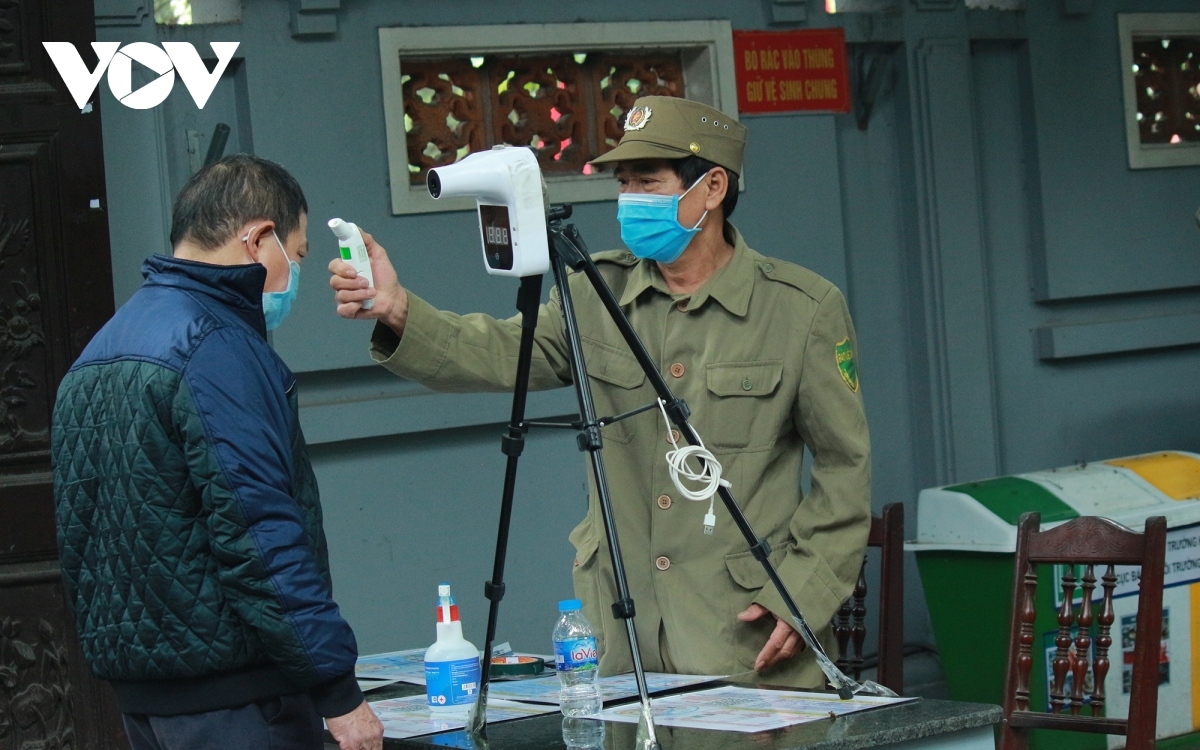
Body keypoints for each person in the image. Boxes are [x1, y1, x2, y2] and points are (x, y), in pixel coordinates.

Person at [329, 96, 872, 688]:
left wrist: (801, 594)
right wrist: (401, 311)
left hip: (742, 635)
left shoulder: (800, 308)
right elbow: (506, 353)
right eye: (624, 183)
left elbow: (845, 468)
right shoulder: (595, 291)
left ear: (713, 187)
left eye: (648, 182)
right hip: (622, 633)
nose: (630, 199)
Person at [51, 155, 384, 750]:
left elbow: (84, 534)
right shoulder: (216, 350)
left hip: (144, 700)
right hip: (238, 702)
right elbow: (259, 537)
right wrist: (339, 691)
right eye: (298, 254)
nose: (296, 275)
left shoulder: (100, 349)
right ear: (258, 239)